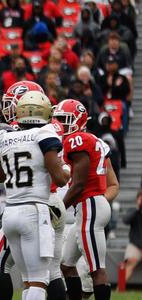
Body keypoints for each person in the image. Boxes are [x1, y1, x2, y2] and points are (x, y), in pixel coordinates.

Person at [0, 91, 70, 300]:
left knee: (28, 279)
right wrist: (66, 169)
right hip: (34, 211)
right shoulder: (44, 133)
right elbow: (60, 179)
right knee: (39, 279)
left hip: (10, 212)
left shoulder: (4, 137)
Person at [54, 99, 114, 300]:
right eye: (59, 119)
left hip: (91, 204)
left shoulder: (76, 139)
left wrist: (59, 208)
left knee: (96, 268)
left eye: (65, 119)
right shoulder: (91, 139)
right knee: (66, 263)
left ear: (79, 119)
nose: (61, 123)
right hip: (89, 206)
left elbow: (79, 184)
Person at [122, 190, 142, 282]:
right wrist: (138, 209)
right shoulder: (133, 211)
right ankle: (120, 289)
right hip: (135, 245)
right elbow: (125, 220)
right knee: (130, 262)